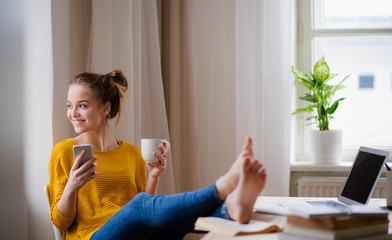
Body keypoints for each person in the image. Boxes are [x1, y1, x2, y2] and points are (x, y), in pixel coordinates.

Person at [48, 70, 267, 240]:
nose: (73, 113)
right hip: (95, 236)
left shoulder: (132, 154)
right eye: (69, 106)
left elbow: (146, 210)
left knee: (175, 220)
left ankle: (229, 209)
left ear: (106, 109)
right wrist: (72, 187)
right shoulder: (64, 152)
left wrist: (153, 176)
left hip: (139, 236)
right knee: (142, 205)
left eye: (82, 105)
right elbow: (60, 222)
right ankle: (221, 188)